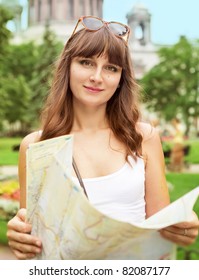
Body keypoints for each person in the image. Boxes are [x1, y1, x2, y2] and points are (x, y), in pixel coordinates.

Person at [7, 16, 199, 260]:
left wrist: (183, 224)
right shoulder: (35, 146)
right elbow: (34, 236)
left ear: (121, 79)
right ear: (67, 67)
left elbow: (162, 226)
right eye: (86, 62)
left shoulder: (144, 137)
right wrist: (20, 235)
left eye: (111, 68)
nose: (97, 77)